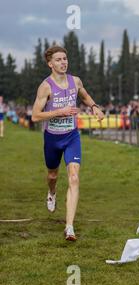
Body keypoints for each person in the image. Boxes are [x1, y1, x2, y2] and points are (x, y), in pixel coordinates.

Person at [31, 46, 104, 241]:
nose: (63, 62)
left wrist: (95, 107)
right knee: (53, 175)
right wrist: (58, 112)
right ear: (50, 64)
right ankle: (52, 191)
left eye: (65, 58)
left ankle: (69, 227)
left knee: (73, 178)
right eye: (58, 60)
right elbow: (35, 116)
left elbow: (85, 95)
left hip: (72, 136)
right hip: (52, 139)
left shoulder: (75, 81)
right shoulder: (45, 86)